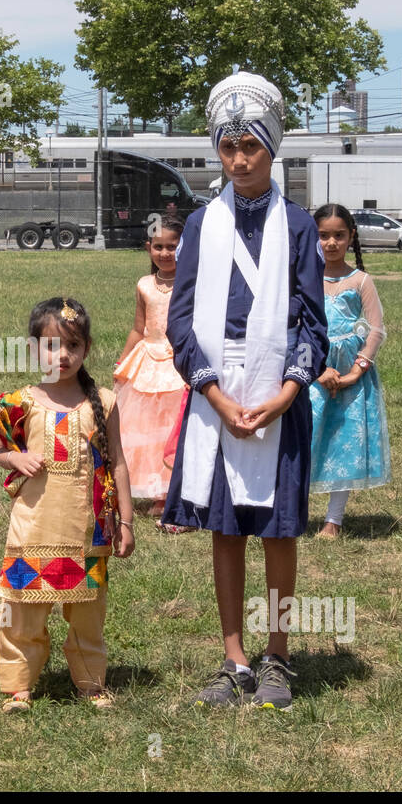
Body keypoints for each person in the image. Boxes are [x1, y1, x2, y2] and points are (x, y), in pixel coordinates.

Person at [162, 72, 328, 712]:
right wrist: (213, 392)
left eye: (251, 146)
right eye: (228, 147)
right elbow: (179, 317)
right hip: (215, 396)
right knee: (225, 531)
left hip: (279, 394)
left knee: (277, 532)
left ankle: (278, 656)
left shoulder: (300, 226)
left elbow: (312, 321)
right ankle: (234, 660)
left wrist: (288, 393)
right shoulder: (202, 224)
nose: (239, 159)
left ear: (272, 146)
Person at [0, 297, 134, 713]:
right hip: (33, 530)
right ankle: (18, 686)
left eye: (73, 345)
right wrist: (15, 458)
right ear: (35, 349)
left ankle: (90, 683)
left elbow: (119, 463)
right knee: (21, 613)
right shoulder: (19, 402)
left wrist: (126, 522)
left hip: (85, 534)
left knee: (88, 616)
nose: (63, 355)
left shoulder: (103, 402)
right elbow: (0, 452)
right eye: (53, 345)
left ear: (86, 348)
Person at [309, 204, 391, 537]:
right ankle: (294, 509)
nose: (331, 243)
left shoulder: (360, 280)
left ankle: (334, 519)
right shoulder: (302, 278)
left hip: (350, 379)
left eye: (339, 235)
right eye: (323, 235)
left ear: (351, 237)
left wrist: (357, 370)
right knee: (308, 438)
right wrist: (316, 369)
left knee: (343, 441)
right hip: (311, 373)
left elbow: (375, 328)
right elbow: (292, 326)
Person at [113, 216, 188, 530]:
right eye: (159, 246)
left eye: (173, 246)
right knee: (145, 430)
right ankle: (154, 490)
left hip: (177, 361)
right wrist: (123, 361)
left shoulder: (191, 282)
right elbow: (138, 327)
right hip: (148, 358)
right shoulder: (144, 284)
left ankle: (172, 492)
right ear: (149, 248)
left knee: (172, 427)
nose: (165, 253)